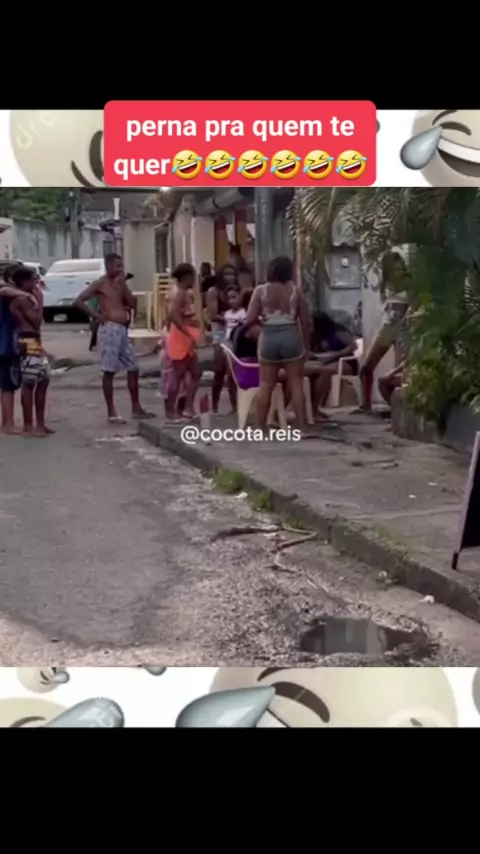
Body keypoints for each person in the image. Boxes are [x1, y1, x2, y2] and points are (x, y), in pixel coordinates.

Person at [73, 253, 154, 424]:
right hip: (110, 329)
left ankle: (136, 407)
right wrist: (96, 316)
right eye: (117, 266)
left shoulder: (120, 284)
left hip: (122, 329)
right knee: (109, 370)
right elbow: (78, 301)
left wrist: (123, 286)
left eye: (121, 266)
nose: (120, 269)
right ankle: (111, 411)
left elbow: (132, 303)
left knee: (133, 367)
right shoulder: (100, 283)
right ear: (109, 267)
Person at [244, 255, 310, 431]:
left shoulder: (260, 291)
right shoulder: (296, 291)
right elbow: (306, 322)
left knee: (266, 384)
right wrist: (306, 346)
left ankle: (260, 427)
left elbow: (249, 319)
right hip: (291, 338)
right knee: (296, 383)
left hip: (268, 339)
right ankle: (303, 427)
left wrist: (264, 324)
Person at [359, 251, 409, 412]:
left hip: (403, 325)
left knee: (401, 373)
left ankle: (398, 411)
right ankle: (365, 405)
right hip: (389, 323)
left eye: (401, 268)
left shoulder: (409, 283)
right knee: (366, 367)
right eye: (395, 269)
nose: (399, 272)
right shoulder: (386, 284)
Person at [9, 266, 53, 436]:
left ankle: (40, 423)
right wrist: (40, 302)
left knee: (43, 380)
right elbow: (36, 321)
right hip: (27, 342)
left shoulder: (26, 298)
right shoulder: (22, 300)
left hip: (34, 342)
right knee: (29, 383)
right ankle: (28, 426)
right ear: (24, 281)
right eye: (33, 280)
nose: (36, 284)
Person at [0, 264, 37, 435]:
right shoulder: (7, 291)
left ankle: (9, 422)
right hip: (6, 344)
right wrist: (27, 295)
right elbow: (3, 289)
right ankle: (7, 423)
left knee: (11, 383)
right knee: (7, 384)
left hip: (10, 343)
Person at [164, 263, 202, 421]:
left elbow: (180, 315)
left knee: (195, 373)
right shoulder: (179, 293)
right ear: (186, 277)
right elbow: (173, 315)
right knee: (178, 375)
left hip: (186, 338)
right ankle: (170, 411)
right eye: (193, 277)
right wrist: (187, 333)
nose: (194, 281)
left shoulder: (184, 293)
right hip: (181, 339)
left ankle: (187, 407)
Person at [308, 311, 358, 419]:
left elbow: (353, 346)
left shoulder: (338, 331)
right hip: (326, 362)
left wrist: (336, 354)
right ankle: (314, 408)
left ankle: (315, 407)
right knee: (323, 374)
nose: (311, 327)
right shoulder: (316, 335)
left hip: (345, 361)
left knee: (321, 370)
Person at [205, 268, 237, 414]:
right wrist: (230, 318)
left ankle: (235, 406)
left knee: (232, 371)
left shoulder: (236, 290)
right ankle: (214, 405)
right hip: (220, 332)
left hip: (234, 332)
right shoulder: (213, 291)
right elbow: (212, 315)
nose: (230, 277)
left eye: (233, 274)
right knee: (219, 371)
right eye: (227, 274)